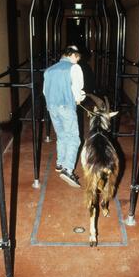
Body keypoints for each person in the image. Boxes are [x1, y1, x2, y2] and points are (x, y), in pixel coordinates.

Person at [43, 45, 86, 188]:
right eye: (77, 58)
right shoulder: (74, 68)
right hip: (66, 107)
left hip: (52, 107)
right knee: (74, 138)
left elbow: (45, 91)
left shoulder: (49, 70)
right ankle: (68, 170)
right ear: (73, 55)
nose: (77, 61)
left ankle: (60, 163)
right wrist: (79, 98)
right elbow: (77, 91)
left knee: (61, 136)